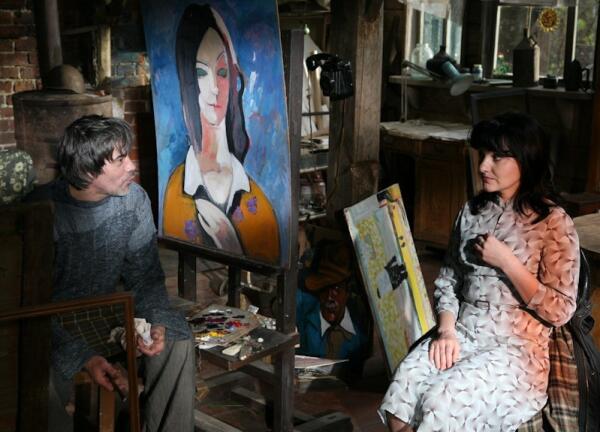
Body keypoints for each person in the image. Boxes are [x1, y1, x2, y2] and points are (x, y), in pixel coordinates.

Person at [379, 112, 580, 431]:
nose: (484, 165)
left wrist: (507, 262)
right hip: (462, 333)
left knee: (440, 400)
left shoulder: (553, 222)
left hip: (515, 351)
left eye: (497, 157)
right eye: (483, 154)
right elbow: (448, 280)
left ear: (526, 159)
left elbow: (561, 310)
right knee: (402, 388)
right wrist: (446, 331)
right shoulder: (471, 212)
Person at [30, 115, 195, 431]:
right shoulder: (40, 212)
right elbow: (29, 308)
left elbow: (145, 276)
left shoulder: (133, 200)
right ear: (87, 171)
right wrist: (83, 357)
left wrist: (156, 322)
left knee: (177, 338)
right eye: (120, 160)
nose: (132, 166)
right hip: (48, 322)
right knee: (37, 375)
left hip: (108, 309)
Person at [163, 3, 280, 263]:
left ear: (234, 79)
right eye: (200, 73)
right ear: (187, 81)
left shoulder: (257, 201)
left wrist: (230, 243)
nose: (214, 88)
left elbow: (269, 276)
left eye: (222, 72)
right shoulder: (175, 191)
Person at [296, 241, 370, 377]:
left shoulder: (361, 330)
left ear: (347, 292)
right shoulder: (302, 311)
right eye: (324, 288)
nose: (330, 296)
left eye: (336, 289)